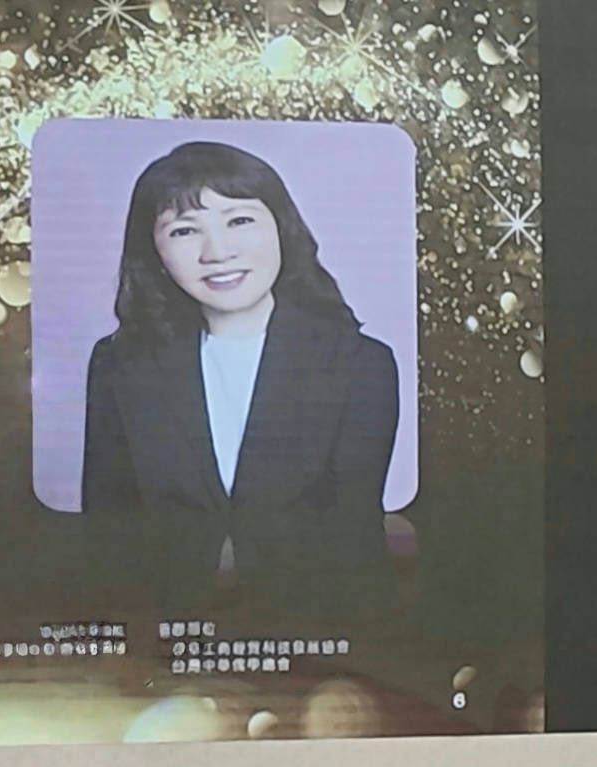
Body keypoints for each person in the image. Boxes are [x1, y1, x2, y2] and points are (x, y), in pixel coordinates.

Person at [82, 141, 398, 620]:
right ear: (155, 252)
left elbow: (353, 536)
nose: (218, 252)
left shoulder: (361, 364)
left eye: (239, 220)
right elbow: (107, 529)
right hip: (160, 636)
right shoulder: (119, 364)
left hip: (318, 634)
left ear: (282, 228)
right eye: (184, 230)